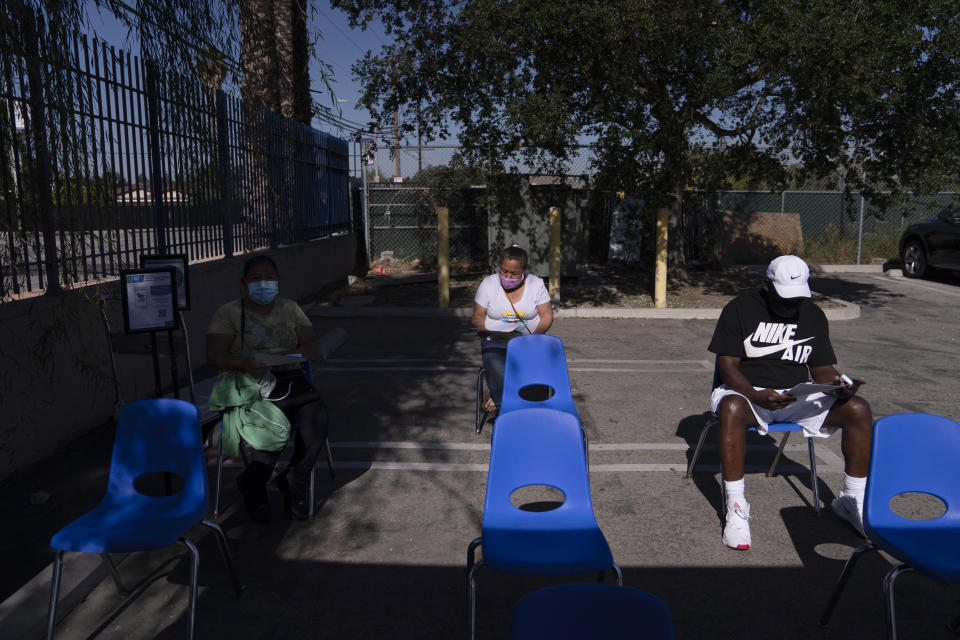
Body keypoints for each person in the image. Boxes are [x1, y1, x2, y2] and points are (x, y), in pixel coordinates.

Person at [707, 255, 873, 550]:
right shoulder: (739, 309)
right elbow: (728, 368)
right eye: (784, 299)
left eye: (796, 299)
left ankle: (851, 500)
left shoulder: (813, 315)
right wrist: (756, 395)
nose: (790, 306)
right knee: (731, 408)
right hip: (748, 394)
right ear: (767, 286)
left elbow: (822, 370)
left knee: (858, 409)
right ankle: (736, 508)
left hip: (794, 395)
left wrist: (838, 387)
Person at [206, 255, 329, 522]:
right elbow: (214, 354)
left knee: (316, 421)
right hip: (249, 385)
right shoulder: (229, 313)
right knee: (269, 428)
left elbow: (311, 345)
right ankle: (254, 485)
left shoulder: (290, 308)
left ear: (278, 281)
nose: (263, 283)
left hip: (290, 381)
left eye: (269, 278)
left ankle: (296, 480)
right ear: (243, 282)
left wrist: (290, 355)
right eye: (255, 278)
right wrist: (243, 362)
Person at [471, 245, 553, 413]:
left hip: (529, 339)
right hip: (496, 340)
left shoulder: (536, 284)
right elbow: (478, 315)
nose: (507, 276)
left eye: (513, 273)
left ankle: (528, 407)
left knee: (534, 371)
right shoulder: (488, 284)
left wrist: (532, 337)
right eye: (503, 271)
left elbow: (546, 316)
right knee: (496, 366)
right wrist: (481, 327)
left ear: (524, 271)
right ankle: (505, 407)